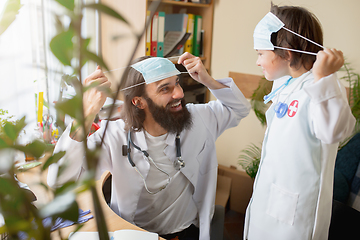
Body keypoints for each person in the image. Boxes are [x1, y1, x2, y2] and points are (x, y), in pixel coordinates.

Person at [47, 53, 251, 240]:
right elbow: (59, 180)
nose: (179, 93)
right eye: (165, 88)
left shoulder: (199, 119)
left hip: (186, 230)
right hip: (135, 233)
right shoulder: (115, 134)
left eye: (177, 83)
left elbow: (241, 108)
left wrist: (207, 80)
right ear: (138, 101)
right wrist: (85, 114)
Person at [244, 3, 356, 240]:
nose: (257, 61)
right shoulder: (286, 83)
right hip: (269, 200)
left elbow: (335, 131)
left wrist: (324, 76)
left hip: (295, 214)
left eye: (261, 53)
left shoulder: (322, 85)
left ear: (287, 52)